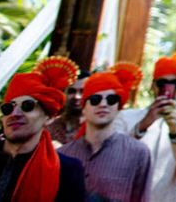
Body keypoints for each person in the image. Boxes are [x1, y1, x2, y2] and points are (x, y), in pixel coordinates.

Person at [0, 57, 86, 201]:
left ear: (49, 117)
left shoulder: (67, 171)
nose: (15, 114)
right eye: (8, 108)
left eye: (27, 106)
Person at [115, 50, 176, 201]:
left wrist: (175, 133)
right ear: (153, 86)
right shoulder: (126, 117)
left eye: (173, 84)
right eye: (162, 83)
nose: (166, 90)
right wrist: (143, 125)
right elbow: (113, 155)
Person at [58, 64, 151, 202]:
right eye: (95, 100)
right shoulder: (64, 154)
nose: (103, 104)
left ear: (118, 107)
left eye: (111, 100)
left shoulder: (138, 153)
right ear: (84, 107)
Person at [47, 68, 89, 146]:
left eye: (82, 91)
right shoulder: (50, 127)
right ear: (63, 93)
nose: (77, 97)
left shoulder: (95, 129)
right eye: (71, 91)